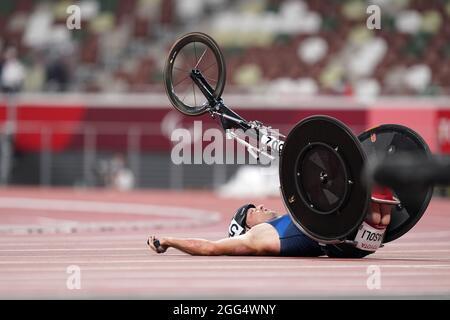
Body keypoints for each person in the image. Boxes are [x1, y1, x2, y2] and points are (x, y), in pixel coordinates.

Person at [147, 189, 398, 258]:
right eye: (251, 211)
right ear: (246, 227)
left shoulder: (283, 222)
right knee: (377, 213)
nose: (260, 207)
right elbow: (211, 247)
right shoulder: (255, 237)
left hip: (350, 243)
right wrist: (170, 240)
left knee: (381, 216)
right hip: (338, 240)